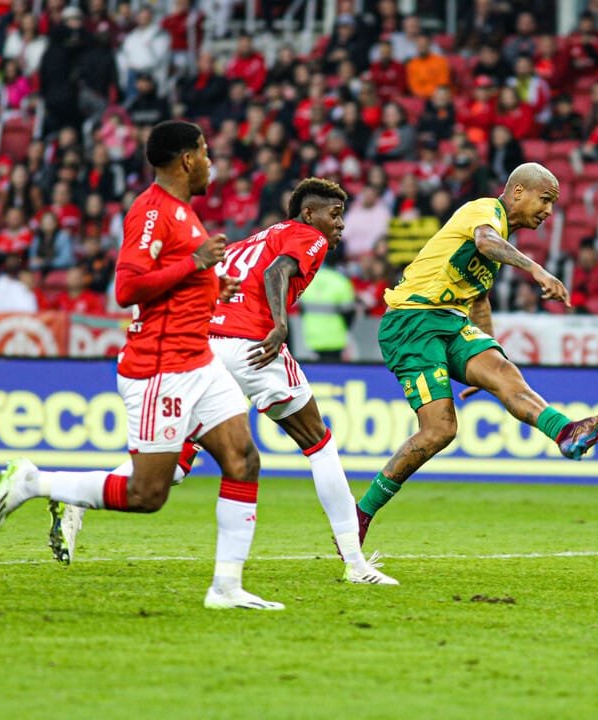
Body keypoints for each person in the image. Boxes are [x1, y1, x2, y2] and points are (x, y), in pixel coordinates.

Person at [0, 120, 284, 611]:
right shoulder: (151, 211)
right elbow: (128, 289)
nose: (212, 162)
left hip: (199, 361)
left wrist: (212, 289)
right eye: (206, 152)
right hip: (161, 367)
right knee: (148, 494)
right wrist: (196, 266)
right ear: (187, 160)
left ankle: (226, 589)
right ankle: (35, 482)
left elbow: (176, 289)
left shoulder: (186, 215)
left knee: (244, 461)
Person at [54, 178, 396, 585]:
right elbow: (276, 274)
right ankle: (355, 564)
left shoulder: (250, 241)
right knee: (319, 445)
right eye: (335, 215)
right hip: (252, 346)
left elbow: (208, 285)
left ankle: (73, 498)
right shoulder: (308, 237)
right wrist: (280, 327)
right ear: (309, 214)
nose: (340, 224)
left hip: (207, 346)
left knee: (173, 465)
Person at [359, 163, 598, 543]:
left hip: (449, 322)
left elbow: (479, 299)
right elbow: (485, 242)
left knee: (505, 374)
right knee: (440, 429)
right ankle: (361, 513)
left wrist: (487, 361)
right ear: (518, 192)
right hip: (412, 321)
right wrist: (537, 271)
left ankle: (566, 432)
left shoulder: (497, 236)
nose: (549, 211)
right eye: (545, 199)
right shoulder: (484, 211)